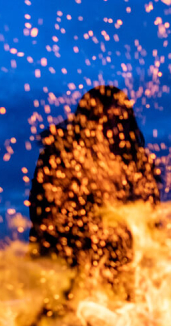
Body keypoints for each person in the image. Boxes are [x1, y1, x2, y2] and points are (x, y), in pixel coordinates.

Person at [28, 86, 160, 281]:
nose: (114, 128)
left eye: (121, 120)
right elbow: (41, 213)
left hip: (123, 266)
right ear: (89, 122)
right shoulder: (60, 156)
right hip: (60, 266)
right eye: (107, 120)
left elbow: (151, 216)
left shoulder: (138, 164)